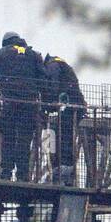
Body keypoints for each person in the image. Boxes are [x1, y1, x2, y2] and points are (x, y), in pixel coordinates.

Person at [0, 32, 47, 181]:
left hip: (9, 104)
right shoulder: (34, 55)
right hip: (30, 104)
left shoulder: (0, 54)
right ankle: (23, 175)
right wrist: (43, 104)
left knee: (8, 138)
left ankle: (6, 173)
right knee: (25, 141)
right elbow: (44, 79)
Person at [43, 53, 85, 185]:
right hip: (76, 106)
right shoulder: (63, 65)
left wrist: (50, 103)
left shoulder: (52, 65)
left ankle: (62, 170)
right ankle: (65, 172)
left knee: (61, 137)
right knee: (65, 137)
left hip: (70, 107)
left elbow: (54, 84)